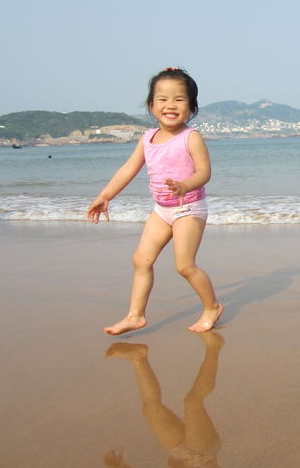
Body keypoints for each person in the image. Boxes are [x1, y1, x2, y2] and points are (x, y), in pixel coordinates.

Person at [88, 68, 223, 335]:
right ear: (151, 105)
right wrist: (105, 196)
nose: (170, 105)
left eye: (179, 99)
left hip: (188, 208)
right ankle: (136, 316)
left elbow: (204, 172)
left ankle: (212, 307)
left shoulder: (191, 137)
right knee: (141, 260)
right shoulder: (147, 139)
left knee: (184, 266)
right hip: (162, 210)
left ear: (191, 107)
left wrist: (185, 185)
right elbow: (128, 169)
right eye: (162, 99)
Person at [104, 334, 228, 468]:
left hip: (177, 453)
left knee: (150, 409)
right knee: (192, 402)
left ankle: (138, 357)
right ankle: (214, 348)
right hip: (203, 455)